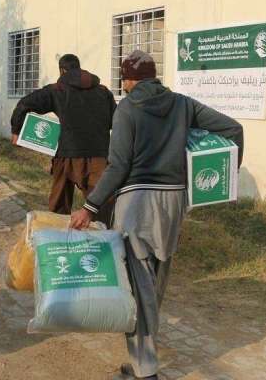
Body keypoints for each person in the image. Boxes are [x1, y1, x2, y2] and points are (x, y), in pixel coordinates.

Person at [70, 50, 244, 379]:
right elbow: (232, 130)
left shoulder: (127, 109)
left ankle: (145, 368)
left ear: (128, 80)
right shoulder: (182, 103)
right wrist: (221, 179)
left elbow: (118, 165)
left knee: (139, 288)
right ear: (155, 76)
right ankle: (142, 357)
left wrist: (89, 207)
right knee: (155, 285)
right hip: (174, 202)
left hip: (136, 205)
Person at [10, 54, 116, 226]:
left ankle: (57, 245)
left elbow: (23, 104)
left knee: (58, 211)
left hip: (66, 155)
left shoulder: (57, 90)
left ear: (62, 71)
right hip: (99, 157)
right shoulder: (104, 92)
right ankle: (102, 247)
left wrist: (17, 131)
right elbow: (116, 122)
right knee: (101, 210)